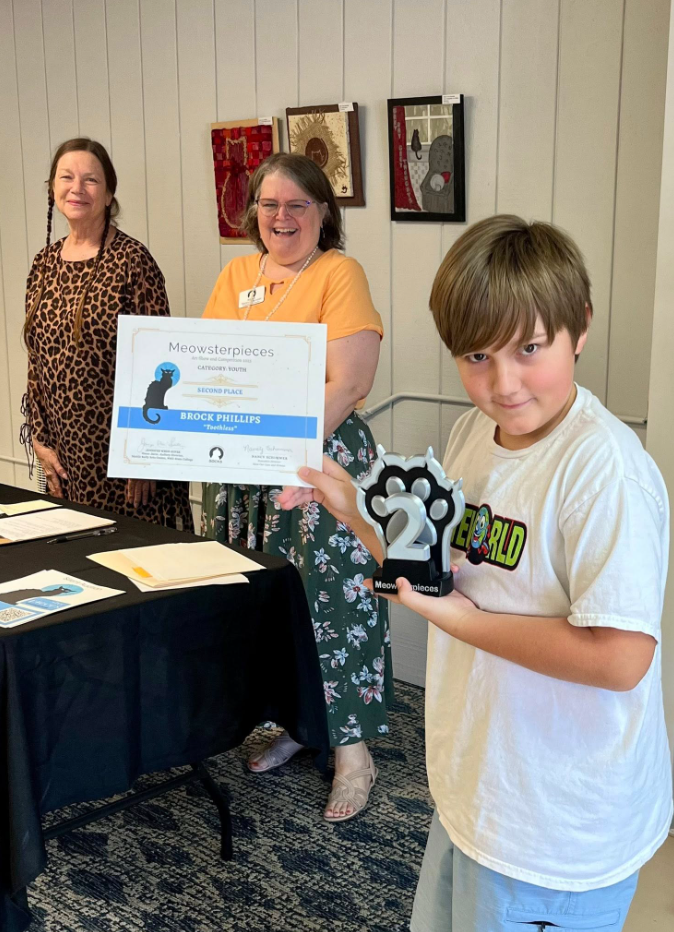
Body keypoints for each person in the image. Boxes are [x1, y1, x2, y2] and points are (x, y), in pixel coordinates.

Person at [280, 215, 672, 930]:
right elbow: (430, 569)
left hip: (559, 828)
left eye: (530, 348)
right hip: (479, 792)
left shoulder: (605, 472)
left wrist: (462, 621)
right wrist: (352, 509)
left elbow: (621, 658)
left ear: (580, 327)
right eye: (478, 356)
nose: (504, 383)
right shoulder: (471, 434)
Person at [201, 152, 392, 821]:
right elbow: (211, 372)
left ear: (323, 213)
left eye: (297, 205)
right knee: (266, 602)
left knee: (331, 603)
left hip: (321, 466)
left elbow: (351, 381)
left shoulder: (339, 273)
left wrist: (286, 450)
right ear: (253, 212)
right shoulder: (237, 276)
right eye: (269, 205)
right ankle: (299, 723)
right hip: (245, 470)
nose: (281, 217)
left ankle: (354, 754)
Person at [21, 138, 193, 531]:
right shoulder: (43, 264)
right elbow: (37, 361)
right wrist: (40, 440)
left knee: (133, 558)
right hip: (64, 457)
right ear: (52, 188)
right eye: (66, 177)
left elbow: (161, 362)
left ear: (109, 193)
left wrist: (145, 454)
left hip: (125, 460)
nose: (77, 188)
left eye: (91, 179)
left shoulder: (134, 261)